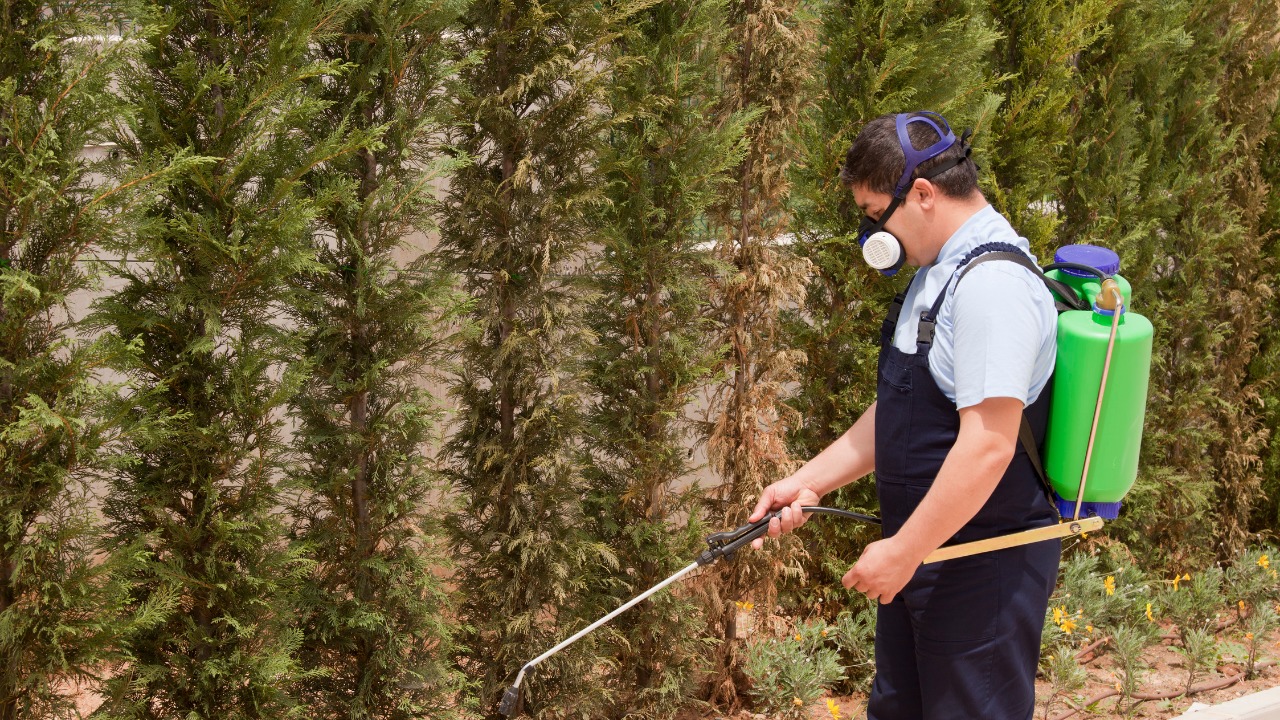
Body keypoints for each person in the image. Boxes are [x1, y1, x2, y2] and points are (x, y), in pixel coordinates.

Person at [749, 111, 1061, 719]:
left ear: (921, 194)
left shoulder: (992, 287)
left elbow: (989, 445)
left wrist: (903, 550)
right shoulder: (938, 271)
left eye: (873, 215)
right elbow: (900, 408)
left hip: (980, 567)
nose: (873, 236)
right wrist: (808, 482)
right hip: (925, 556)